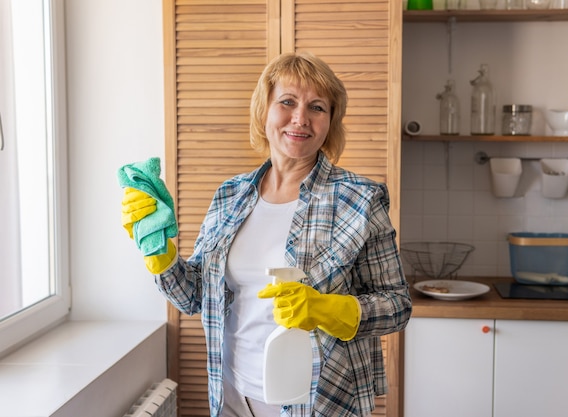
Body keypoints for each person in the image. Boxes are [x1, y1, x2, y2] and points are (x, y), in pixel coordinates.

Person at [120, 51, 412, 417]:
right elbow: (194, 296)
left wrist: (330, 309)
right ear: (264, 111)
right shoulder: (230, 195)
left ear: (330, 121)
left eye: (317, 107)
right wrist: (158, 250)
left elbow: (397, 306)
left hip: (319, 401)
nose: (300, 118)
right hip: (231, 393)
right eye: (287, 102)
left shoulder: (360, 199)